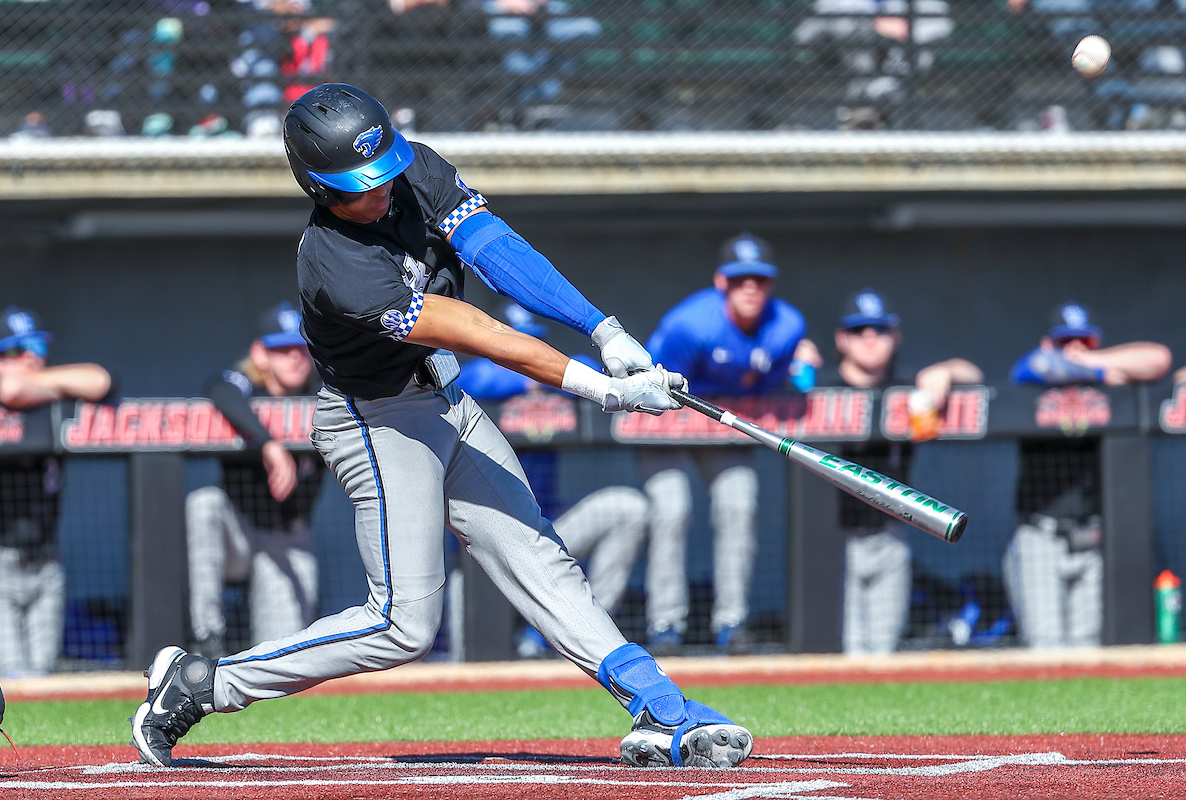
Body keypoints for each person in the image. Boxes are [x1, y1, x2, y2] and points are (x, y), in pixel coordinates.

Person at [130, 83, 752, 770]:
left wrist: (602, 328)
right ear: (318, 186)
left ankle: (661, 706)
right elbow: (477, 330)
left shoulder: (413, 169)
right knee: (403, 624)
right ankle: (204, 682)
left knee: (542, 561)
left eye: (383, 173)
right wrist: (601, 388)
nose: (380, 192)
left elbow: (496, 249)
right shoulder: (334, 262)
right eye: (358, 187)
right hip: (378, 421)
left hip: (448, 400)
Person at [640, 233, 813, 656]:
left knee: (740, 503)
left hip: (725, 426)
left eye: (758, 279)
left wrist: (801, 371)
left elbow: (776, 382)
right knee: (672, 509)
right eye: (740, 280)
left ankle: (732, 622)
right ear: (722, 282)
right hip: (663, 420)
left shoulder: (787, 326)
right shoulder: (691, 325)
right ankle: (666, 626)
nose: (750, 288)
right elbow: (657, 385)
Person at [456, 302, 650, 658]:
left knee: (629, 508)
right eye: (514, 344)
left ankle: (589, 639)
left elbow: (589, 369)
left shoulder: (553, 382)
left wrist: (548, 375)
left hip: (546, 530)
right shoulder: (473, 383)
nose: (524, 354)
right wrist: (521, 375)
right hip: (481, 543)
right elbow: (471, 376)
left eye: (532, 344)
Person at [805, 288, 982, 655]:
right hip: (832, 542)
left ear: (894, 336)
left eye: (879, 330)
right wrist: (792, 360)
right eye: (859, 331)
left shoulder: (909, 389)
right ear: (842, 338)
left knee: (884, 655)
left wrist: (946, 371)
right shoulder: (818, 387)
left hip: (890, 536)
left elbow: (975, 375)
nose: (869, 339)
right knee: (839, 653)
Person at [1006, 301, 1170, 649]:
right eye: (1067, 342)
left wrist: (1095, 365)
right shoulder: (1036, 376)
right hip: (1041, 534)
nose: (1077, 348)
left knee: (1089, 650)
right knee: (1045, 647)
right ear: (1050, 343)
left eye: (1085, 341)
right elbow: (1031, 365)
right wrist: (1099, 371)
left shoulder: (1107, 376)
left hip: (1092, 536)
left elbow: (1158, 358)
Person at [187, 301, 324, 661]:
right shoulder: (245, 387)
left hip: (286, 535)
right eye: (281, 349)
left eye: (300, 347)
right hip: (238, 532)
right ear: (260, 354)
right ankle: (207, 633)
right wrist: (270, 445)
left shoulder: (324, 395)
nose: (294, 357)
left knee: (286, 656)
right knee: (204, 503)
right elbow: (218, 386)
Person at [0, 307, 113, 676]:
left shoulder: (51, 397)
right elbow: (10, 389)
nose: (32, 355)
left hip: (46, 560)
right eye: (18, 350)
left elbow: (99, 380)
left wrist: (43, 382)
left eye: (36, 346)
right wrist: (45, 384)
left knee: (42, 677)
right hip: (2, 561)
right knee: (12, 675)